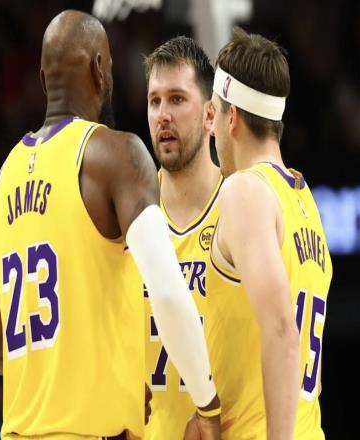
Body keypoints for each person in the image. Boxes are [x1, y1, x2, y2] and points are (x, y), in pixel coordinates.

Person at [0, 10, 220, 440]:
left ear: (43, 80)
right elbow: (168, 292)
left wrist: (111, 377)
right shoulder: (115, 155)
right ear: (99, 70)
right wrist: (207, 405)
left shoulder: (1, 182)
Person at [188, 27, 333, 439]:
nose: (211, 128)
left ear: (232, 117)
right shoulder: (304, 200)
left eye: (215, 113)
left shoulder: (245, 191)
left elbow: (283, 331)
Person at [143, 37, 222, 440]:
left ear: (210, 115)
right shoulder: (131, 214)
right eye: (154, 101)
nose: (163, 115)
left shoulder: (244, 208)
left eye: (176, 99)